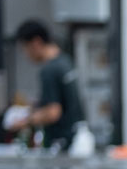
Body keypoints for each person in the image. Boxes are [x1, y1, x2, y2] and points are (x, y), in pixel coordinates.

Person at [9, 19, 84, 149]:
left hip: (63, 143)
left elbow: (53, 112)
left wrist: (24, 121)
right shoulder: (64, 61)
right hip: (77, 136)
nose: (26, 55)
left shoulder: (49, 70)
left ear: (36, 42)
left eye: (25, 49)